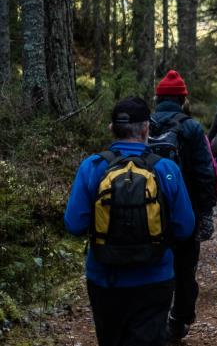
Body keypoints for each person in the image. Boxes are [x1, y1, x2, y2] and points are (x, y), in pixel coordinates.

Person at [64, 97, 196, 346]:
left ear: (111, 128)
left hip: (105, 278)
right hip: (154, 277)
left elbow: (74, 225)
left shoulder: (92, 167)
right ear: (146, 128)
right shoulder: (166, 169)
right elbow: (185, 227)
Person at [150, 70, 217, 342]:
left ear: (158, 98)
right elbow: (205, 173)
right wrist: (205, 213)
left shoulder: (144, 124)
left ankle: (153, 319)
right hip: (184, 210)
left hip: (148, 209)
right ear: (183, 99)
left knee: (153, 263)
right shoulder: (191, 127)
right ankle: (179, 320)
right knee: (185, 268)